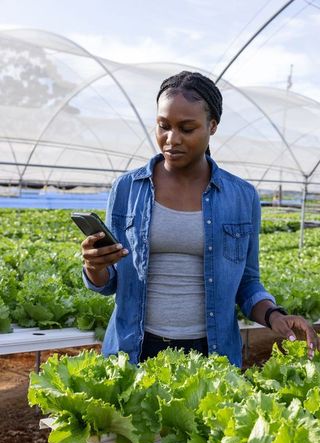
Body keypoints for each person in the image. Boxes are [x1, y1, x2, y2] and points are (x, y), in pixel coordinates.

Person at [81, 70, 319, 367]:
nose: (172, 139)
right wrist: (94, 266)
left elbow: (247, 282)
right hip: (134, 350)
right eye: (163, 126)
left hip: (211, 354)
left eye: (187, 128)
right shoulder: (127, 188)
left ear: (212, 126)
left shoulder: (241, 196)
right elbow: (110, 281)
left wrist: (274, 316)